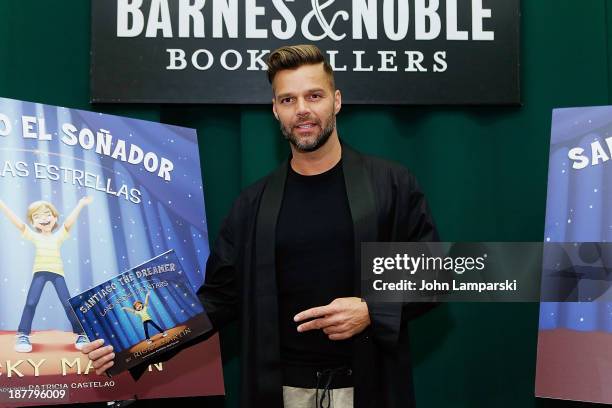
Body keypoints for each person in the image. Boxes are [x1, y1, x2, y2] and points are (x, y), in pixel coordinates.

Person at [83, 44, 437, 408]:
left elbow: (433, 273)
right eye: (288, 100)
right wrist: (129, 345)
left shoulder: (391, 184)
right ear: (275, 110)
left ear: (337, 101)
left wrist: (370, 309)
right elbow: (218, 299)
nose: (302, 110)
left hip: (371, 389)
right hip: (281, 393)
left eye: (314, 96)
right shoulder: (252, 205)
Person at [0, 197, 93, 352]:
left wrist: (80, 204)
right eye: (37, 217)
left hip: (57, 273)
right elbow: (18, 223)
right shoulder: (34, 236)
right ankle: (23, 334)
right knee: (31, 303)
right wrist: (2, 205)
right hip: (40, 272)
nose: (43, 219)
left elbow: (69, 223)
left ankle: (81, 333)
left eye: (47, 214)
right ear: (33, 223)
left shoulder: (59, 236)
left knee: (68, 304)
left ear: (54, 217)